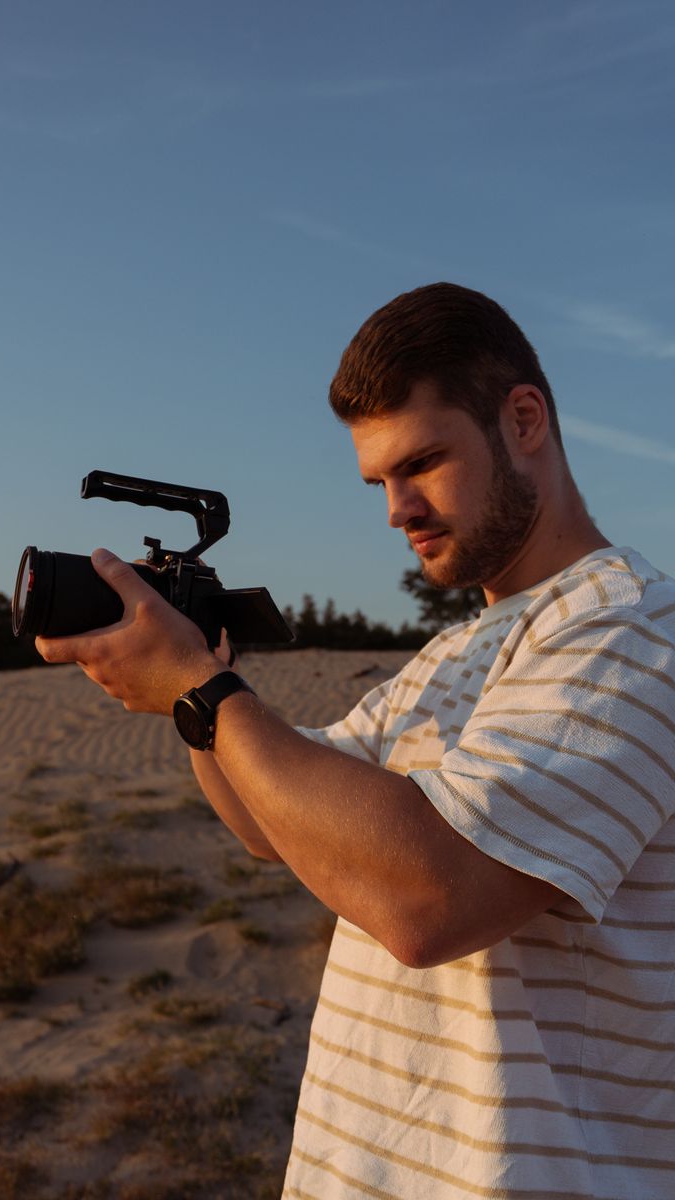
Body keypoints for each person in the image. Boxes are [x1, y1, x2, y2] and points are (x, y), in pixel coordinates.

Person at [37, 283, 675, 1199]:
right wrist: (194, 671)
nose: (396, 509)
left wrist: (199, 689)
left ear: (524, 420)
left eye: (422, 463)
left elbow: (432, 902)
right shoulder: (451, 654)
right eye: (379, 481)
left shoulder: (631, 628)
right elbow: (272, 820)